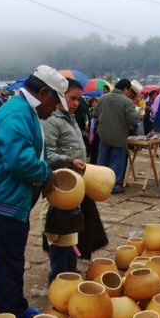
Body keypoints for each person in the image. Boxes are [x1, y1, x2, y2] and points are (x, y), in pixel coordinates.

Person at [0, 65, 67, 318]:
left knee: (12, 258)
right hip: (2, 201)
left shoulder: (26, 111)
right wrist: (47, 174)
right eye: (55, 103)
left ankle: (16, 306)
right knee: (7, 260)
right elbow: (20, 162)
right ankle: (10, 316)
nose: (54, 109)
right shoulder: (16, 115)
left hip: (11, 198)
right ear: (44, 93)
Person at [42, 78, 108, 281]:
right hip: (61, 186)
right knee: (60, 232)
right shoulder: (51, 121)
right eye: (72, 98)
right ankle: (59, 278)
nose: (76, 103)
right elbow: (47, 154)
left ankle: (68, 272)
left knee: (74, 231)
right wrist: (69, 160)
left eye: (79, 99)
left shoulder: (71, 118)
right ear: (59, 95)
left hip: (77, 184)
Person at [94, 79, 138, 194]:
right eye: (129, 90)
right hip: (119, 137)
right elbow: (132, 120)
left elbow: (95, 114)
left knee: (102, 160)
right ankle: (114, 186)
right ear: (126, 89)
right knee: (116, 162)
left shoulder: (102, 98)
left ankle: (99, 183)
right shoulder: (126, 101)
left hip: (103, 136)